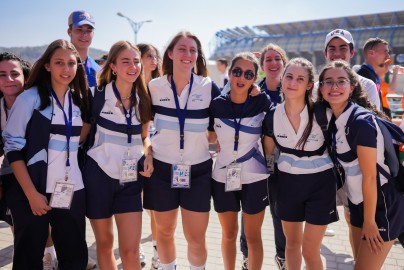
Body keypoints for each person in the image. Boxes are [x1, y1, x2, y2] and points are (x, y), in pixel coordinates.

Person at [3, 39, 89, 270]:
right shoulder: (29, 99)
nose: (66, 69)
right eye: (59, 62)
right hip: (33, 192)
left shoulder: (80, 101)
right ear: (48, 66)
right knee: (28, 260)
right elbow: (12, 147)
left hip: (72, 191)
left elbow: (80, 142)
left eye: (71, 63)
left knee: (74, 258)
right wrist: (31, 194)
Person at [143, 31, 221, 270]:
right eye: (182, 49)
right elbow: (143, 130)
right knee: (165, 232)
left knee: (195, 237)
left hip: (197, 171)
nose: (188, 55)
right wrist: (147, 152)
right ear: (170, 53)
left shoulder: (209, 87)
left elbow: (217, 130)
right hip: (161, 171)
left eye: (193, 50)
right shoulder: (154, 87)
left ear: (198, 56)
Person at [317, 60, 404, 270]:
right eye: (328, 82)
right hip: (359, 204)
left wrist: (370, 221)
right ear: (320, 88)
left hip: (381, 205)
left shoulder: (360, 122)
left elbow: (371, 175)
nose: (334, 87)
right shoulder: (334, 119)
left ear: (352, 87)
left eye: (341, 81)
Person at [83, 40, 153, 270]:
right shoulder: (95, 96)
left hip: (131, 180)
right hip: (98, 176)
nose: (133, 66)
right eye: (125, 62)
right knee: (105, 245)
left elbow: (145, 137)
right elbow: (82, 137)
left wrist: (149, 153)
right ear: (112, 66)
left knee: (131, 251)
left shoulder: (144, 98)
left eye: (136, 61)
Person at [263, 57, 338, 270]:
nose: (292, 83)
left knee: (310, 250)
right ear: (282, 79)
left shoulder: (323, 112)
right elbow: (269, 153)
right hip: (287, 184)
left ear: (309, 85)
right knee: (292, 245)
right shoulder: (272, 116)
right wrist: (271, 184)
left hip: (320, 184)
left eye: (300, 78)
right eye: (289, 76)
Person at [210, 52, 270, 270]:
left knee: (253, 237)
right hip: (222, 175)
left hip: (255, 176)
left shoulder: (261, 101)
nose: (241, 78)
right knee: (229, 234)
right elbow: (209, 137)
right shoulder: (216, 105)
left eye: (248, 74)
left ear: (254, 78)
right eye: (237, 71)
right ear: (229, 72)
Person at [238, 44, 288, 270]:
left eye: (277, 58)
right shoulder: (251, 89)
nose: (273, 63)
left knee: (281, 212)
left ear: (284, 62)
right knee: (249, 212)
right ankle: (247, 257)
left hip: (285, 164)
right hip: (255, 162)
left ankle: (283, 257)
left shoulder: (293, 89)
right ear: (262, 65)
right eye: (268, 59)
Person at [137, 42, 163, 270]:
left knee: (154, 206)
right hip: (130, 152)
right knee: (133, 205)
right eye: (149, 56)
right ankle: (136, 249)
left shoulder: (160, 87)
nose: (154, 60)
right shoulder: (129, 87)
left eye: (156, 56)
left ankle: (157, 250)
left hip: (157, 151)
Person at [0, 52, 31, 236]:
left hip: (42, 170)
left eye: (15, 74)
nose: (9, 79)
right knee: (17, 222)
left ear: (26, 78)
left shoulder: (40, 103)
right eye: (2, 75)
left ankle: (49, 256)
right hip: (10, 171)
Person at [356, 37, 390, 111]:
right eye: (385, 52)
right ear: (371, 53)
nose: (388, 56)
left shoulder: (372, 74)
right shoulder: (362, 75)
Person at [67, 10, 100, 88]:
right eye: (79, 29)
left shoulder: (98, 71)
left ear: (93, 34)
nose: (84, 35)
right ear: (69, 32)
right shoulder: (58, 67)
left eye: (89, 31)